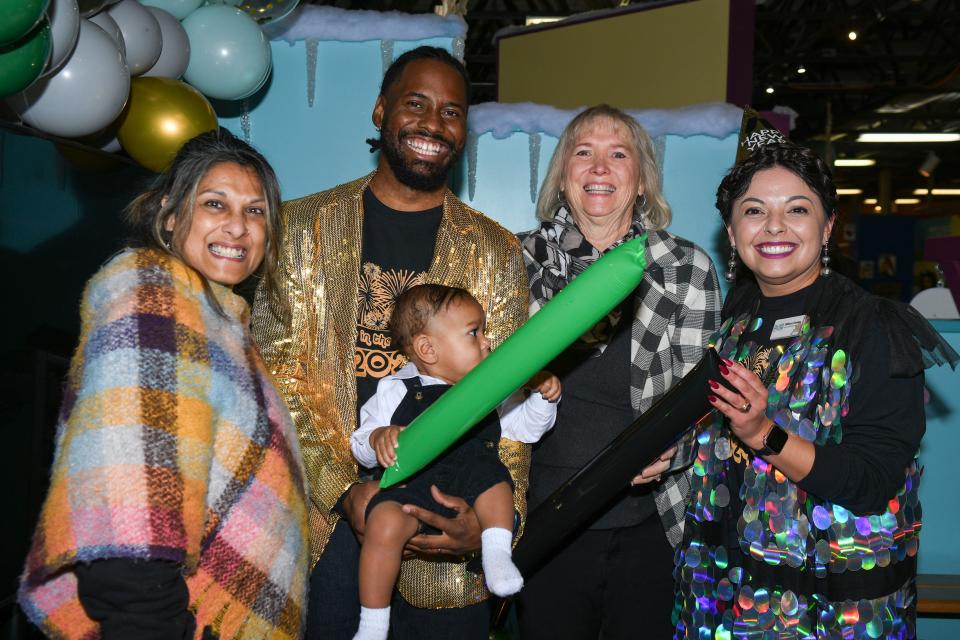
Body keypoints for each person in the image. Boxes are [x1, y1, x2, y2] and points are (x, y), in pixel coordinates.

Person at [250, 46, 530, 639]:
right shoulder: (302, 228)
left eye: (452, 112)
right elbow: (273, 378)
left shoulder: (494, 250)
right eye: (416, 104)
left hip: (447, 530)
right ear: (381, 111)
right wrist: (344, 490)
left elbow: (508, 392)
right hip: (327, 528)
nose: (433, 124)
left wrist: (487, 527)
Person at [18, 129, 309, 640]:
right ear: (171, 215)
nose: (238, 227)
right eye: (215, 204)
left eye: (256, 211)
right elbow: (131, 518)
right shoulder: (156, 298)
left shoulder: (220, 321)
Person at [673, 142, 958, 639]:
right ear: (733, 230)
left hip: (829, 606)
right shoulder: (734, 320)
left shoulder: (871, 327)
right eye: (754, 211)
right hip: (723, 592)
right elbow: (717, 441)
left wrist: (765, 432)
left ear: (827, 227)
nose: (775, 226)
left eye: (797, 210)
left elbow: (872, 481)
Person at [516, 104, 722, 639]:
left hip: (650, 523)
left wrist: (676, 450)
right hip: (543, 523)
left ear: (642, 181)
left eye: (618, 154)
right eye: (583, 153)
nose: (600, 167)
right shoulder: (519, 261)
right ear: (563, 176)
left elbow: (707, 398)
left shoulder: (686, 268)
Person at [349, 284, 560, 640]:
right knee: (382, 523)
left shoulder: (490, 389)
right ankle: (372, 623)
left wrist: (542, 397)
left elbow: (527, 430)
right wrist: (378, 437)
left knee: (496, 484)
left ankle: (496, 557)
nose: (486, 342)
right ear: (428, 349)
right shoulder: (396, 388)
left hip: (471, 488)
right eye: (473, 333)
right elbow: (360, 444)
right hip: (412, 489)